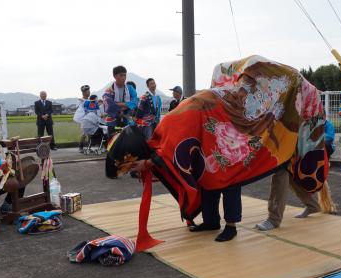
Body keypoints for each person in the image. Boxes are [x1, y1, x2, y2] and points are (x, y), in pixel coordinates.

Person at [106, 56, 329, 244]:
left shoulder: (285, 90)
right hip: (218, 130)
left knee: (233, 174)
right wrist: (148, 165)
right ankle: (212, 220)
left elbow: (172, 156)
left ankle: (235, 223)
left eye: (132, 166)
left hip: (233, 131)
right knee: (207, 176)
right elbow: (174, 156)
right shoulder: (163, 133)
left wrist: (149, 164)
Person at [102, 66, 138, 139]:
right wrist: (120, 110)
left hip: (127, 117)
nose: (123, 77)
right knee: (113, 140)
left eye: (125, 75)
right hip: (113, 118)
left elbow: (135, 101)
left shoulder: (130, 88)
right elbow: (109, 104)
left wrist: (120, 104)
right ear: (115, 76)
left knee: (129, 139)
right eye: (121, 75)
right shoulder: (109, 89)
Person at [73, 85, 91, 153]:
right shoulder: (79, 100)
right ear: (83, 93)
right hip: (84, 120)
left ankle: (89, 147)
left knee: (90, 134)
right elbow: (78, 110)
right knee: (84, 134)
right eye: (87, 91)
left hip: (90, 119)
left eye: (89, 91)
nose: (89, 92)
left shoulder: (90, 100)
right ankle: (80, 147)